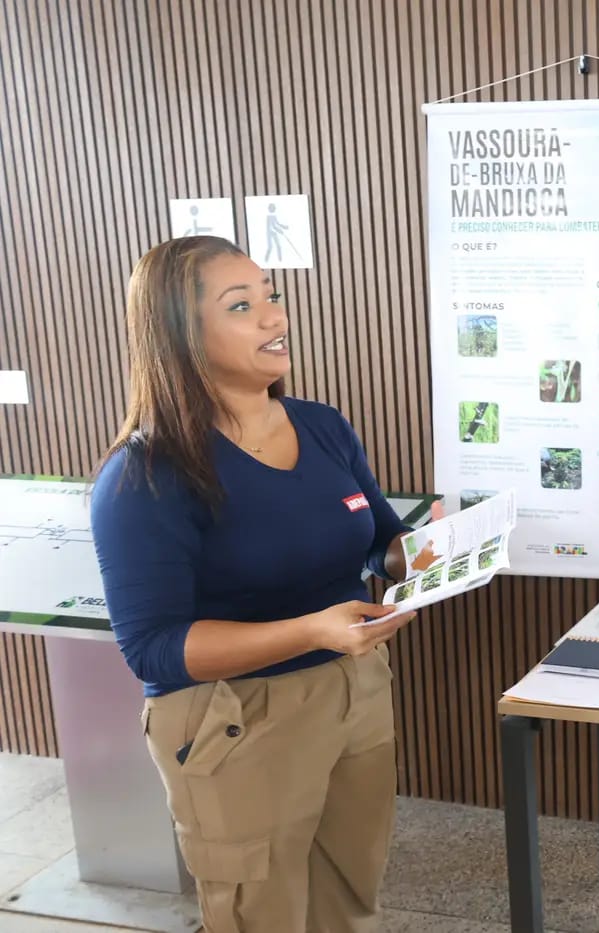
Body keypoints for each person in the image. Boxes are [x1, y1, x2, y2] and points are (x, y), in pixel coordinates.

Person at [90, 236, 439, 932]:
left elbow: (379, 542)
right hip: (235, 720)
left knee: (350, 897)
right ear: (181, 335)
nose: (274, 317)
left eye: (270, 296)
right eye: (241, 306)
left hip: (355, 690)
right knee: (263, 913)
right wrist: (311, 629)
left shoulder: (322, 426)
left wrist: (438, 551)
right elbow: (154, 647)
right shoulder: (145, 475)